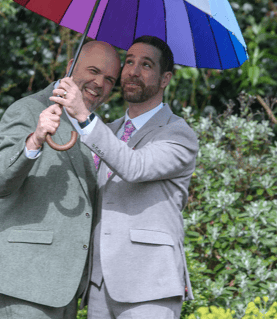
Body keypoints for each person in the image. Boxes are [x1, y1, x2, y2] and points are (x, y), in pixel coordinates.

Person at [0, 41, 121, 319]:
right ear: (71, 65)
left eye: (109, 79)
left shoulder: (94, 126)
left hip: (67, 285)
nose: (99, 82)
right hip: (24, 279)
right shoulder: (27, 109)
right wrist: (34, 140)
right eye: (93, 70)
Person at [52, 35, 199, 319]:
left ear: (165, 78)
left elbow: (134, 167)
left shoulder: (178, 134)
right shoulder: (107, 130)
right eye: (129, 61)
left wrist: (82, 114)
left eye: (146, 64)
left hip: (149, 284)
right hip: (98, 285)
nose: (132, 70)